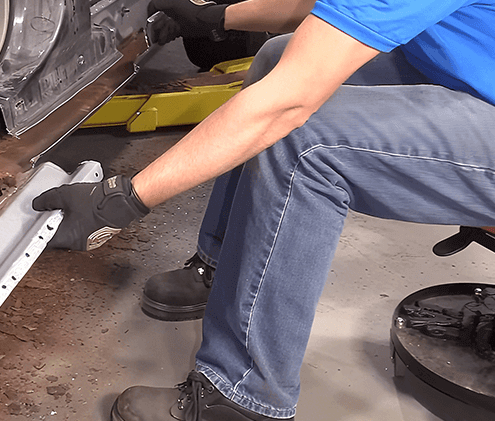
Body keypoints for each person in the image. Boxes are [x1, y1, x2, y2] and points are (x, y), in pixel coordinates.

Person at [31, 0, 495, 420]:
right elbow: (333, 10)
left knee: (303, 142)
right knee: (278, 57)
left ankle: (243, 397)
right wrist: (217, 18)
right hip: (472, 73)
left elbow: (289, 104)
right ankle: (222, 266)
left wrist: (125, 198)